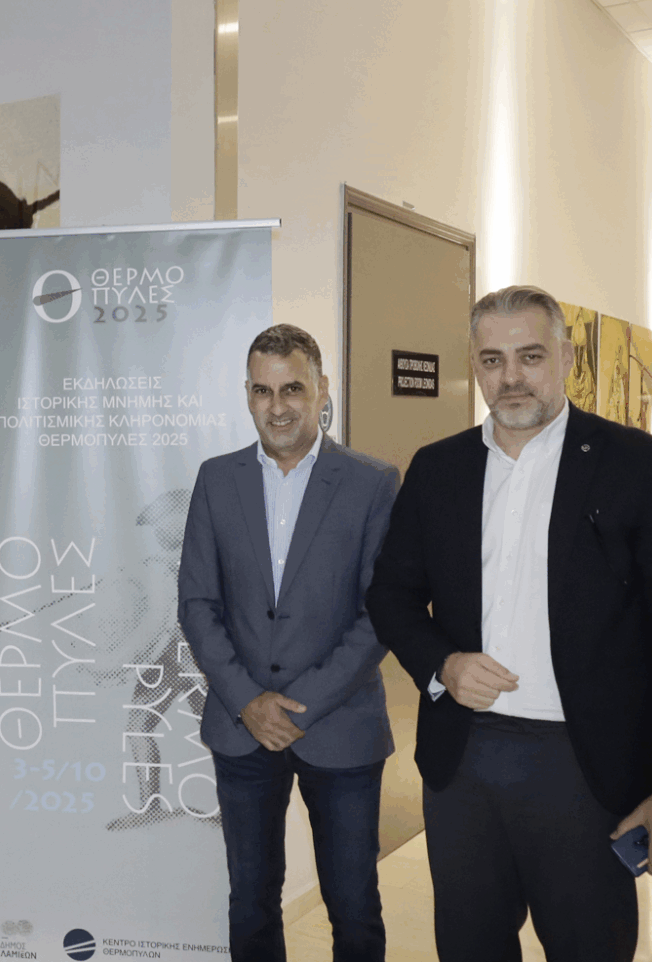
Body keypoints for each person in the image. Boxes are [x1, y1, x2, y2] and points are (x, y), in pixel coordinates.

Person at [366, 286, 652, 962]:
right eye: (492, 360)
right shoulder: (439, 469)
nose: (511, 377)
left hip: (584, 766)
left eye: (530, 356)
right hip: (462, 762)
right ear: (475, 366)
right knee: (469, 947)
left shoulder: (639, 467)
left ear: (565, 357)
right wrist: (443, 663)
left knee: (589, 947)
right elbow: (391, 595)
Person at [178, 324, 400, 961]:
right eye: (262, 390)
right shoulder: (217, 479)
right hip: (240, 727)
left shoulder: (372, 482)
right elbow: (197, 602)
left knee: (353, 906)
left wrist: (300, 705)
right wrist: (248, 701)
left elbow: (381, 614)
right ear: (248, 395)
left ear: (322, 389)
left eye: (292, 389)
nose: (277, 406)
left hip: (341, 726)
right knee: (250, 902)